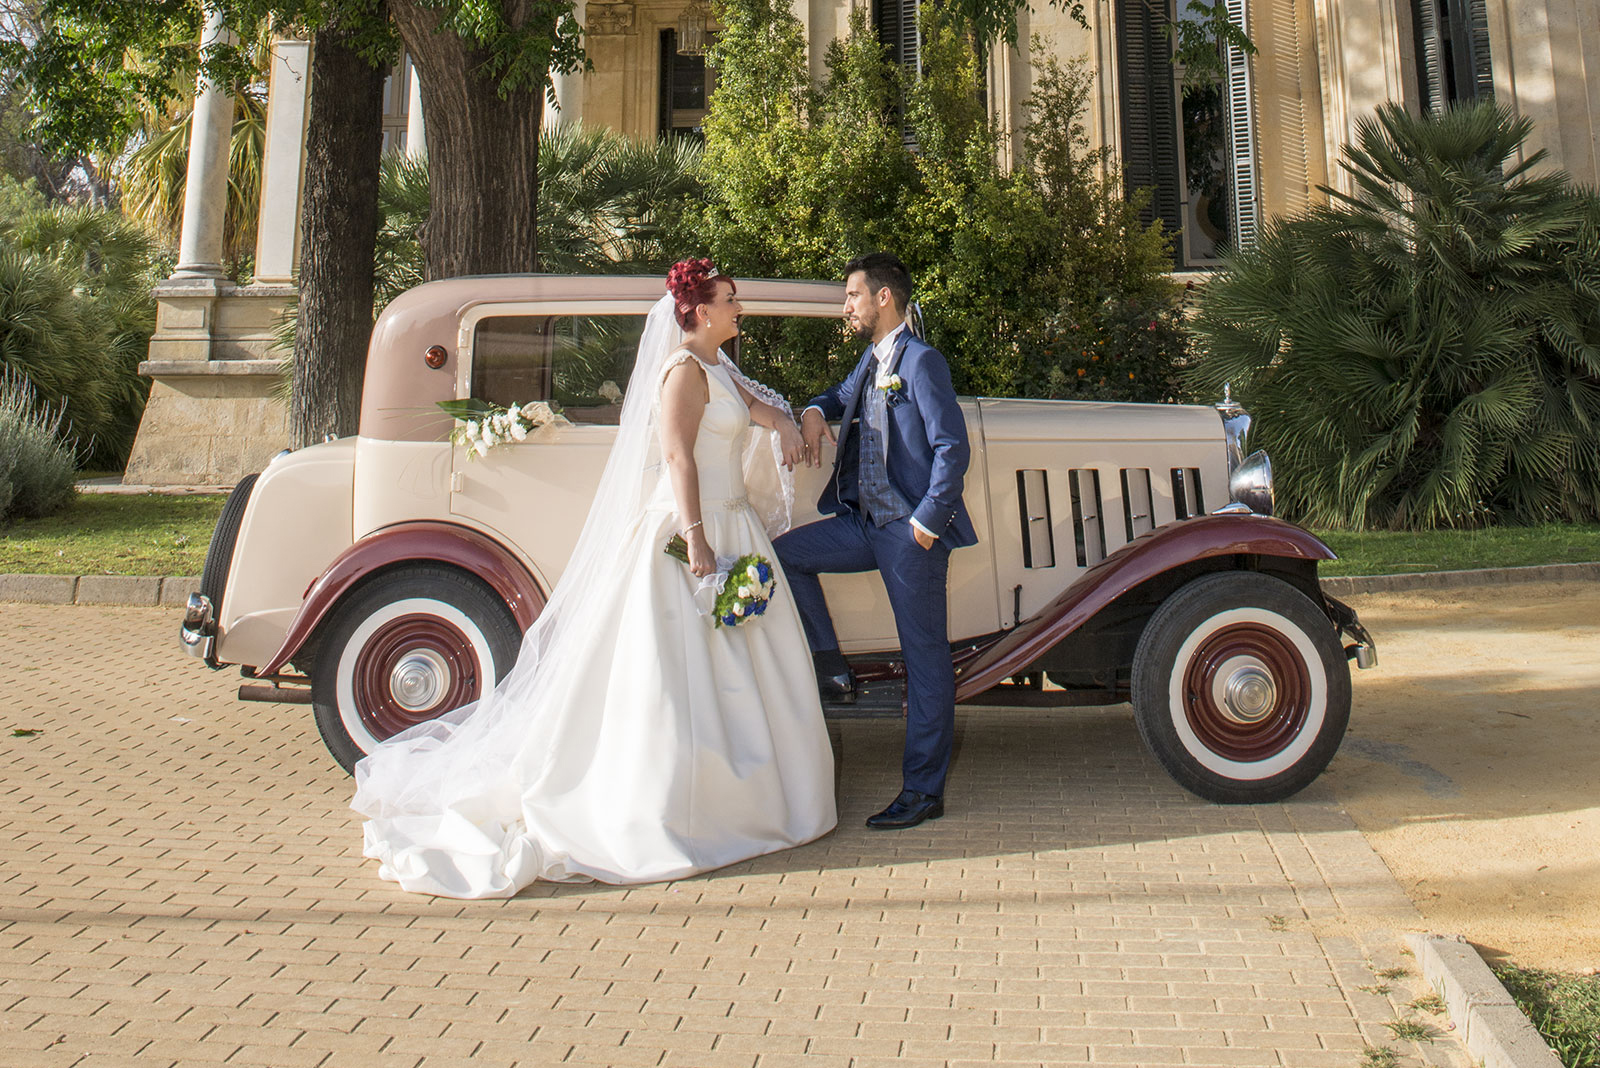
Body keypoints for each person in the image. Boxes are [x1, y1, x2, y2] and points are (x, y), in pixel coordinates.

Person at [352, 260, 837, 897]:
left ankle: (755, 794)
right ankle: (668, 805)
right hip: (694, 526)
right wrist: (696, 538)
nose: (737, 308)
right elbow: (676, 456)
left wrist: (787, 420)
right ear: (697, 312)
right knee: (672, 673)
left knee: (745, 662)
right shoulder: (682, 371)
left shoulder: (720, 366)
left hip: (736, 522)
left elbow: (753, 406)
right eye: (729, 300)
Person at [774, 252, 976, 831]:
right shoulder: (873, 359)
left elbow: (950, 447)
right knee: (787, 555)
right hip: (863, 523)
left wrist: (927, 522)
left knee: (925, 658)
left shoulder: (920, 361)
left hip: (907, 532)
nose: (846, 306)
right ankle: (830, 666)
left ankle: (923, 791)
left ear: (882, 298)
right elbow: (840, 395)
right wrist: (813, 410)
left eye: (852, 296)